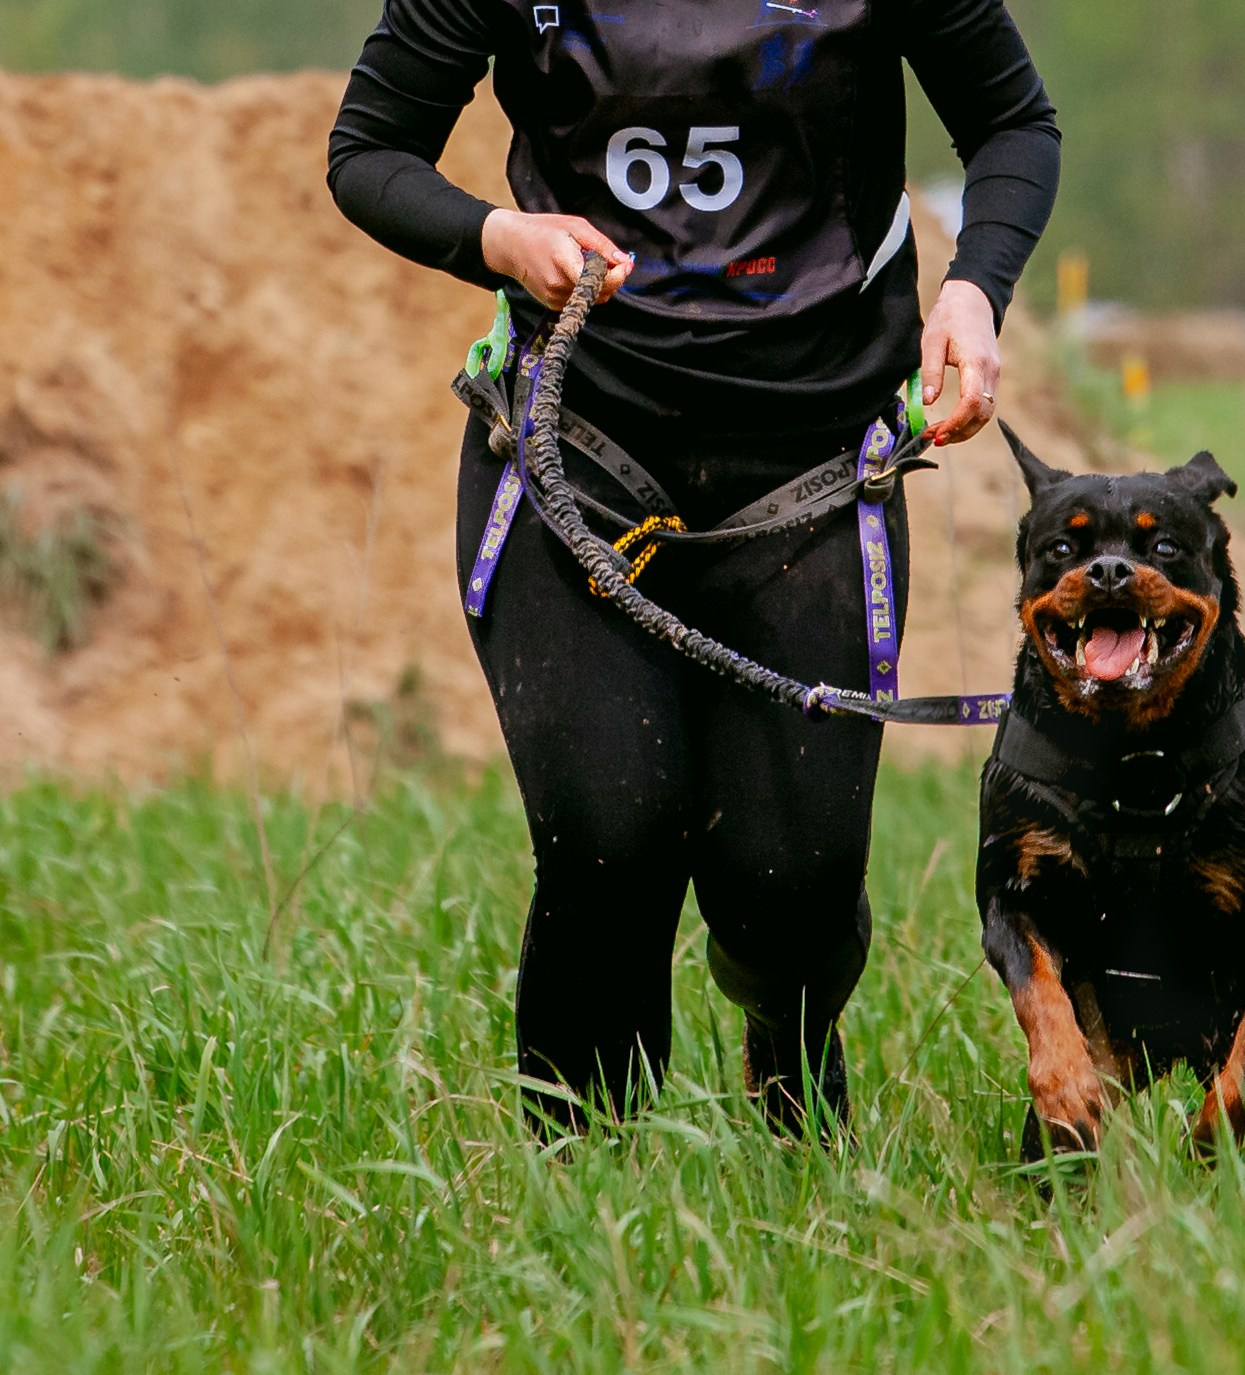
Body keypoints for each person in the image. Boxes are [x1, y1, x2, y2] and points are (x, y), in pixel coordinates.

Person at [327, 0, 1059, 1136]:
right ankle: (584, 1198)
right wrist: (497, 237)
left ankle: (790, 1046)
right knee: (608, 846)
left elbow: (1014, 121)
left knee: (791, 900)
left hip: (811, 468)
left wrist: (973, 288)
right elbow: (367, 149)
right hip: (580, 450)